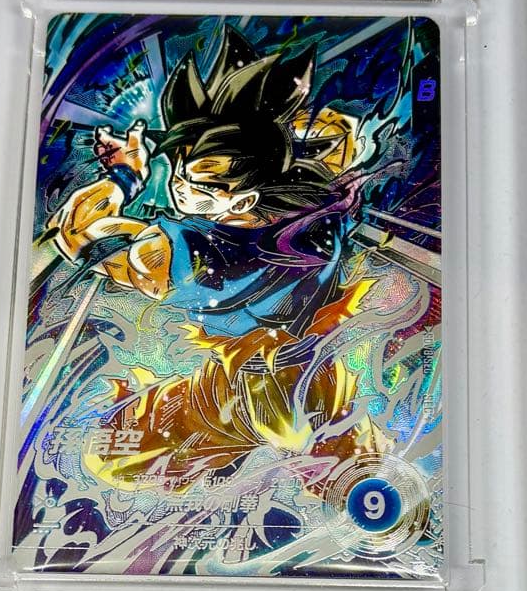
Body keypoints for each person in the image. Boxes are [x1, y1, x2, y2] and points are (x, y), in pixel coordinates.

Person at [51, 25, 387, 485]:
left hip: (251, 391)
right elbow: (341, 138)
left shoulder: (170, 256)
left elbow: (77, 234)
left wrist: (125, 176)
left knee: (110, 455)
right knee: (360, 476)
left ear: (243, 198)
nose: (179, 191)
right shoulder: (321, 210)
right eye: (178, 174)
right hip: (315, 374)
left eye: (197, 186)